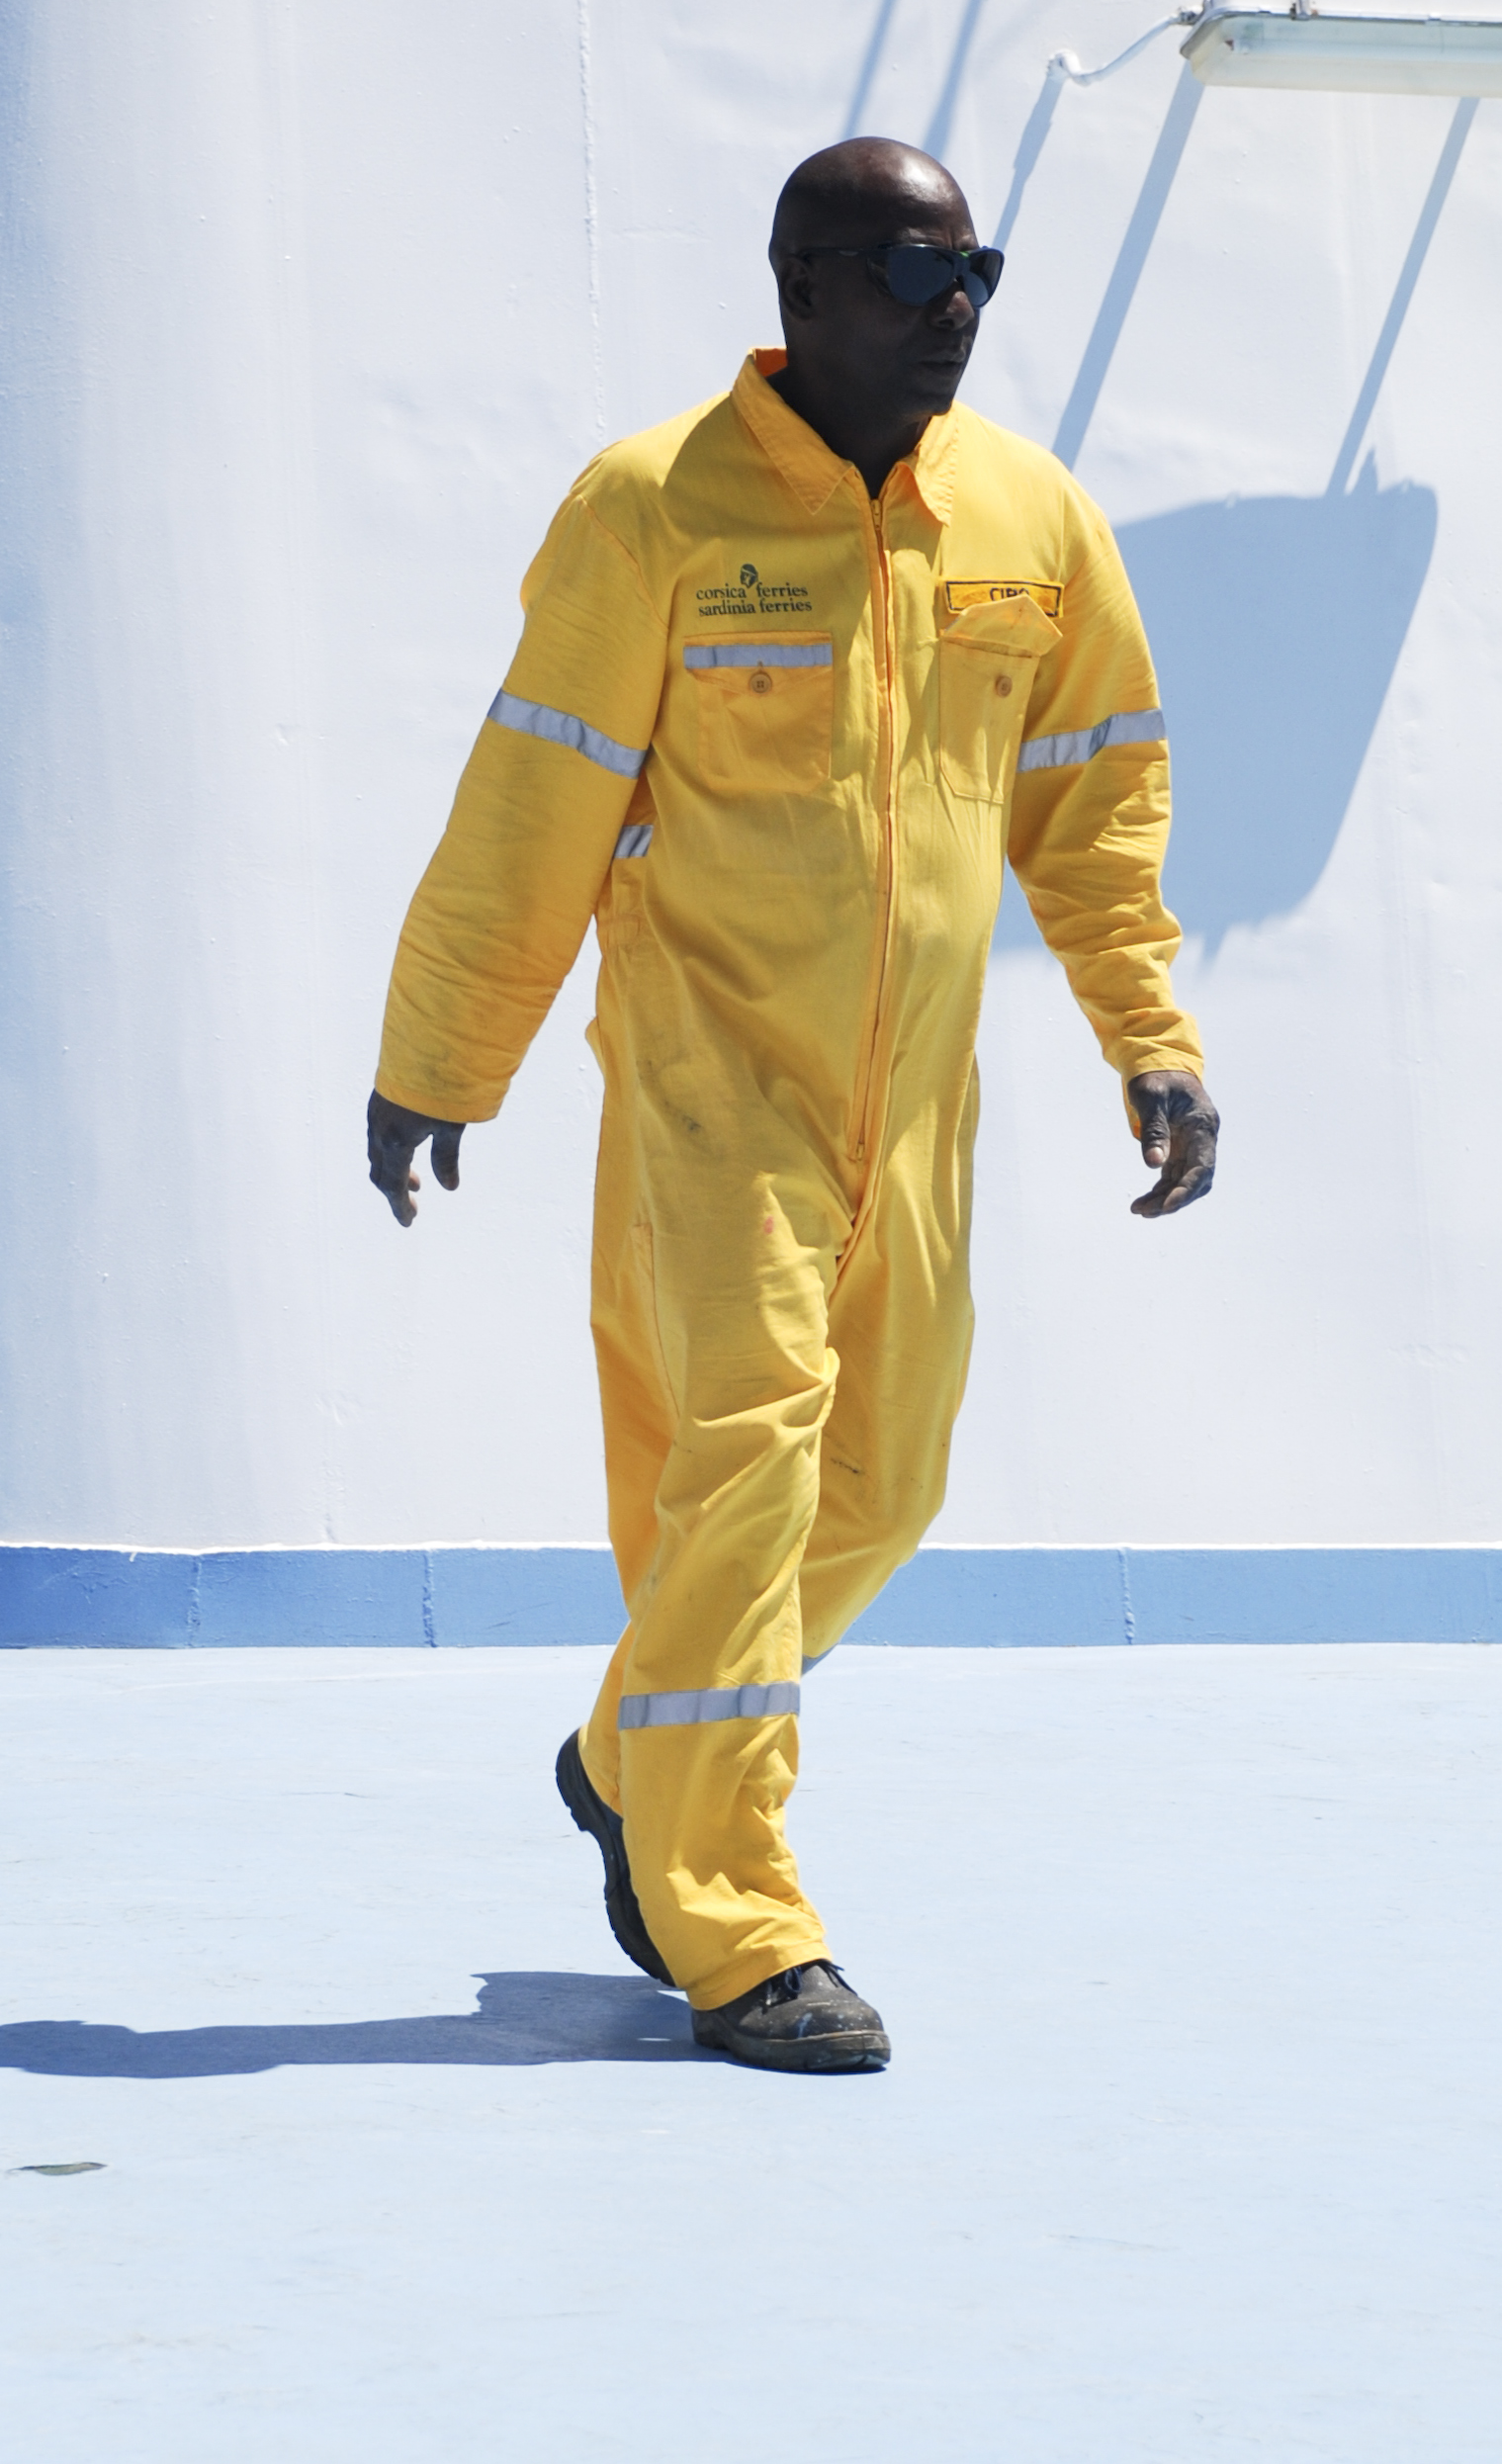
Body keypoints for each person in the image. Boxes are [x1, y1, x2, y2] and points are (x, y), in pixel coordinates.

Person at [367, 137, 1217, 2074]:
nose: (956, 313)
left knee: (886, 1487)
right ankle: (736, 1924)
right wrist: (442, 1057)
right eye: (917, 278)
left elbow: (1095, 804)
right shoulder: (653, 509)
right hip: (712, 1088)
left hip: (914, 1106)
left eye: (977, 274)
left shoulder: (1027, 518)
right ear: (804, 288)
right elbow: (534, 796)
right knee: (744, 1462)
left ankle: (625, 1752)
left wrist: (1148, 1037)